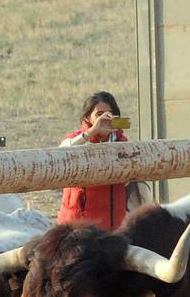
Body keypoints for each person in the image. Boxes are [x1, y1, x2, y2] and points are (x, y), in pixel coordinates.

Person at [56, 92, 143, 231]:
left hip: (114, 225)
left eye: (110, 114)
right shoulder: (76, 139)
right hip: (78, 227)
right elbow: (60, 155)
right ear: (87, 118)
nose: (105, 118)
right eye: (99, 114)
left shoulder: (122, 142)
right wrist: (92, 132)